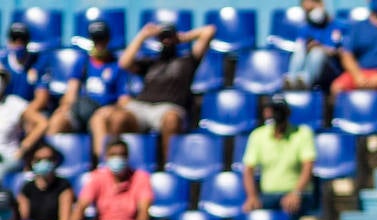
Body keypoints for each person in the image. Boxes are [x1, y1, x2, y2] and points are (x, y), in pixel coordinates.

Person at [112, 21, 216, 164]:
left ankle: (169, 165)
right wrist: (143, 36)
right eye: (163, 37)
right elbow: (124, 63)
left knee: (171, 120)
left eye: (169, 36)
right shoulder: (151, 63)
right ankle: (119, 166)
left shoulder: (187, 61)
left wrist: (182, 38)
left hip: (169, 108)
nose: (166, 40)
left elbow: (209, 30)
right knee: (118, 118)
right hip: (142, 107)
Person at [242, 94, 318, 220]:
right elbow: (248, 169)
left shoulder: (302, 133)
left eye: (278, 110)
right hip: (268, 195)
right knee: (252, 208)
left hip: (299, 193)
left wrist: (296, 192)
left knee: (290, 205)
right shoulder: (258, 135)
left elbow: (308, 166)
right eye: (272, 110)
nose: (275, 115)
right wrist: (251, 196)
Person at [55, 138, 152, 220]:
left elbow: (144, 209)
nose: (117, 158)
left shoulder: (140, 178)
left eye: (121, 155)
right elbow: (81, 206)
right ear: (106, 157)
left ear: (127, 157)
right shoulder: (98, 177)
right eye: (113, 155)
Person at [46, 19, 129, 157]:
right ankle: (47, 158)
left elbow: (124, 99)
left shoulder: (116, 66)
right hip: (81, 110)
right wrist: (65, 107)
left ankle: (101, 162)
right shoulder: (82, 62)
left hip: (103, 112)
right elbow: (72, 90)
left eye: (102, 39)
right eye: (96, 39)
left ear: (108, 40)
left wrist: (111, 109)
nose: (99, 43)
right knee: (58, 120)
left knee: (98, 121)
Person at [2, 22, 52, 154]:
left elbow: (42, 98)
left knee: (33, 123)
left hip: (27, 109)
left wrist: (22, 113)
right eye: (14, 39)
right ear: (9, 41)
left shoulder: (38, 62)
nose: (18, 43)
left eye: (22, 39)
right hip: (6, 109)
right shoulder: (3, 63)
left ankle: (25, 160)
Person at [19, 141, 74, 220]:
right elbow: (24, 218)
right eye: (39, 159)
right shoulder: (27, 188)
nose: (44, 163)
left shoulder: (63, 186)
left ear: (55, 161)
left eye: (49, 159)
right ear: (32, 162)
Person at [284, 0, 345, 91]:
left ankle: (305, 81)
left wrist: (319, 47)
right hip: (309, 62)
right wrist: (308, 47)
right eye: (307, 11)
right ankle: (292, 80)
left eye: (312, 9)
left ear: (321, 4)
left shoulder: (338, 26)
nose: (311, 13)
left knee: (317, 52)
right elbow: (300, 44)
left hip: (330, 68)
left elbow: (340, 51)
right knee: (300, 50)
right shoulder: (305, 27)